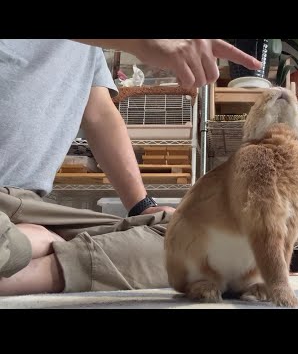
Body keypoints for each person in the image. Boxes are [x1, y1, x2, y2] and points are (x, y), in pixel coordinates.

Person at [0, 39, 262, 295]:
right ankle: (24, 245)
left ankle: (30, 270)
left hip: (32, 207)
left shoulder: (88, 50)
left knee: (196, 239)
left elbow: (100, 114)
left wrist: (142, 206)